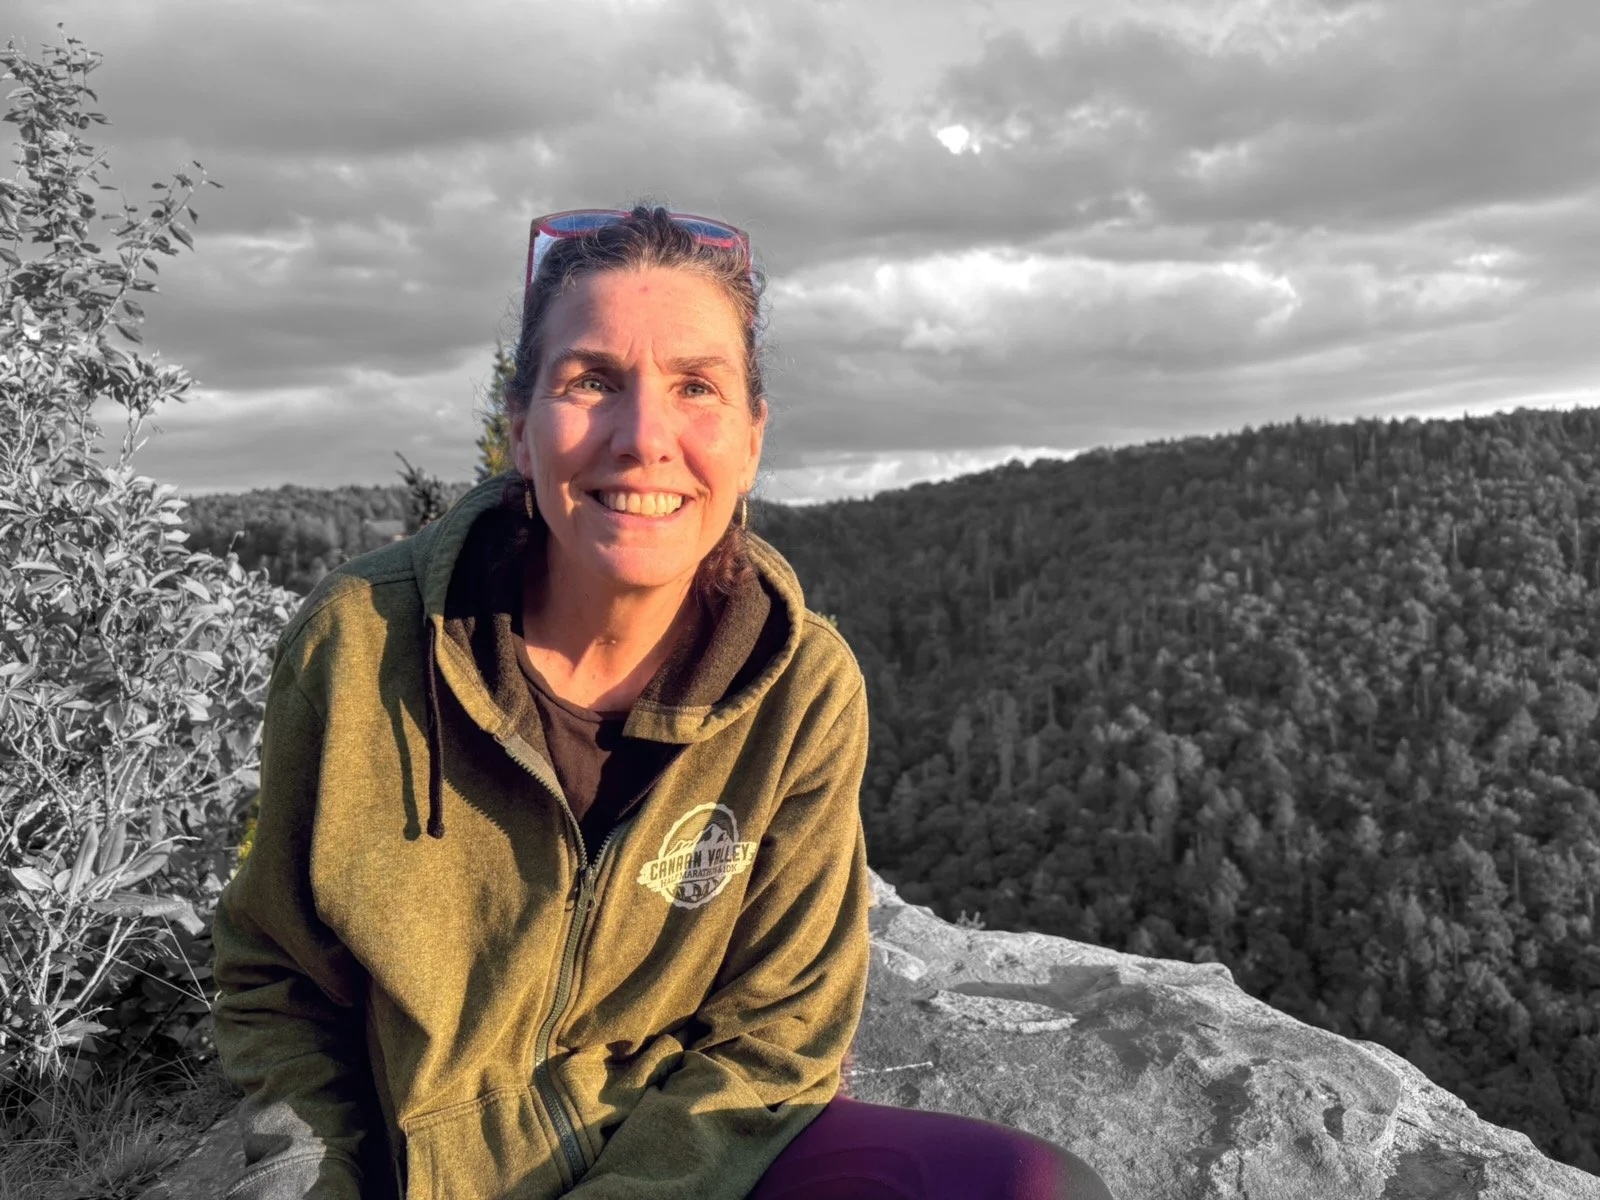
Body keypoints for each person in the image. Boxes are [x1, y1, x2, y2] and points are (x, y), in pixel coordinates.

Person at [212, 204, 1115, 1200]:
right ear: (520, 430)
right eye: (591, 381)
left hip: (696, 1167)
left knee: (1036, 1190)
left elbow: (777, 1033)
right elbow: (278, 980)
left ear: (751, 439)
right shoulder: (361, 645)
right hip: (424, 1174)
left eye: (696, 386)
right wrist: (306, 1181)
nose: (644, 437)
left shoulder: (799, 689)